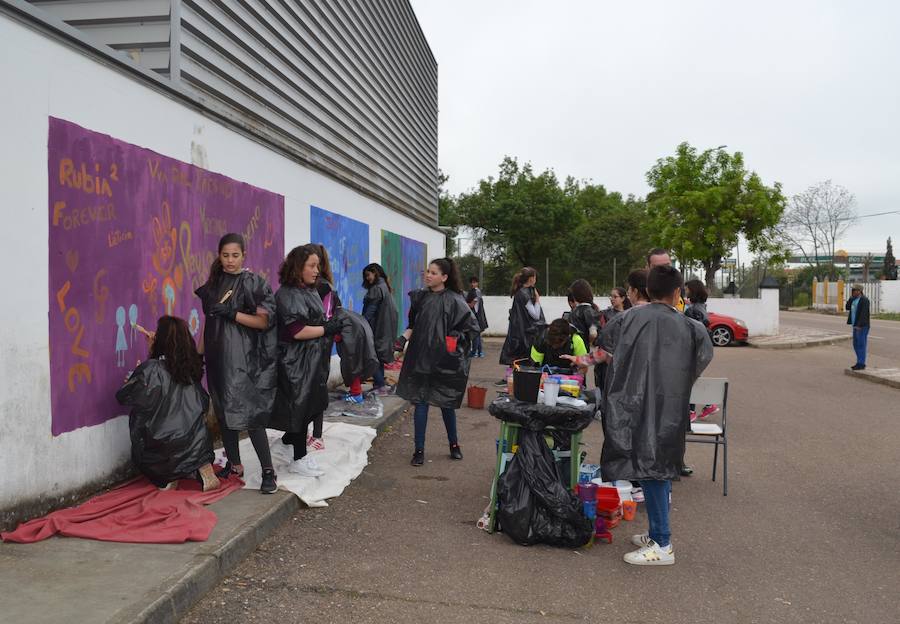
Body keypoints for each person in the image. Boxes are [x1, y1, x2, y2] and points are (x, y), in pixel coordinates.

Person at [598, 265, 713, 565]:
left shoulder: (628, 318)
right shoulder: (690, 327)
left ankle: (663, 544)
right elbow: (701, 358)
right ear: (678, 293)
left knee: (653, 469)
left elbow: (606, 345)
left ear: (647, 290)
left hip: (634, 404)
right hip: (668, 408)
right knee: (653, 468)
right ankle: (657, 533)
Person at [195, 233, 278, 494]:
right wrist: (198, 355)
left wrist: (233, 314)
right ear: (219, 255)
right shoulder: (213, 285)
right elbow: (208, 324)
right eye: (225, 255)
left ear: (244, 255)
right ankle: (235, 465)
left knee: (249, 413)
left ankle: (268, 471)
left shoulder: (253, 283)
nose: (230, 260)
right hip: (217, 358)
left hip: (243, 359)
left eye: (235, 255)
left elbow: (264, 322)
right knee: (223, 412)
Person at [116, 316, 219, 491]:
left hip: (164, 451)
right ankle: (197, 466)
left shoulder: (152, 369)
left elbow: (124, 397)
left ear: (161, 341)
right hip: (198, 446)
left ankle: (167, 476)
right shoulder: (190, 369)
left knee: (140, 415)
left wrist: (138, 373)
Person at [395, 258, 480, 466]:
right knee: (421, 403)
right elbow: (413, 325)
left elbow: (471, 328)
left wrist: (456, 337)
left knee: (446, 403)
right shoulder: (420, 299)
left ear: (444, 277)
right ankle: (419, 450)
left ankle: (454, 445)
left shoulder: (456, 300)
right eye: (427, 271)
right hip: (421, 359)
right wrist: (403, 338)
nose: (428, 275)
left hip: (445, 362)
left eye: (433, 272)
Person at [271, 245, 343, 476]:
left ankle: (288, 441)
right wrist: (326, 329)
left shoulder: (309, 289)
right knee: (300, 408)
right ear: (297, 267)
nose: (317, 270)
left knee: (311, 405)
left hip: (311, 359)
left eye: (317, 265)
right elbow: (297, 330)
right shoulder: (287, 294)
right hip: (294, 362)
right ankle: (299, 459)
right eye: (311, 266)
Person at [497, 267, 544, 386]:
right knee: (521, 356)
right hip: (523, 331)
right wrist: (537, 300)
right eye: (535, 277)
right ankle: (511, 380)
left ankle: (509, 378)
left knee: (515, 356)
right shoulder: (525, 294)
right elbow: (535, 314)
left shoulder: (521, 292)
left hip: (518, 330)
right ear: (531, 278)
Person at [362, 262, 399, 395]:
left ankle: (380, 385)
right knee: (378, 357)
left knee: (373, 357)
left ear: (375, 273)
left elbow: (370, 312)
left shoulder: (376, 289)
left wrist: (362, 325)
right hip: (385, 329)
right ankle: (379, 385)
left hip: (377, 329)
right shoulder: (385, 287)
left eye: (368, 275)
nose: (367, 278)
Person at [567, 279, 601, 348]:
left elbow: (593, 333)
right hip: (582, 348)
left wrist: (588, 344)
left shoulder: (578, 311)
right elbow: (593, 333)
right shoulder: (588, 310)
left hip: (577, 348)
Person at [846, 284, 871, 370]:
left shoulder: (864, 300)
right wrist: (851, 298)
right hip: (855, 325)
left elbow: (864, 314)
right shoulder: (854, 299)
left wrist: (860, 325)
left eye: (855, 290)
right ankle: (859, 361)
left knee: (861, 344)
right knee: (855, 344)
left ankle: (861, 363)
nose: (853, 292)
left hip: (862, 326)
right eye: (852, 290)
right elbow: (847, 307)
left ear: (859, 291)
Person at [465, 276, 488, 357]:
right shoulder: (477, 292)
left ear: (477, 283)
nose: (472, 284)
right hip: (479, 316)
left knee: (475, 334)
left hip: (476, 316)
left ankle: (474, 352)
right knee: (477, 334)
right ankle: (480, 352)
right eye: (471, 282)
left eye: (474, 282)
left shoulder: (475, 292)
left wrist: (463, 304)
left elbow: (471, 305)